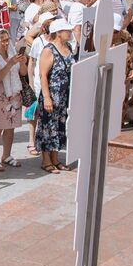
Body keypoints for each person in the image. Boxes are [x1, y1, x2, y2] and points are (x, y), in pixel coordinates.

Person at [36, 19, 76, 174]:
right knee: (47, 127)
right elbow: (43, 75)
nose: (70, 32)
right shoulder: (49, 50)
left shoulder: (69, 47)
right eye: (67, 30)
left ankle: (55, 158)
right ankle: (46, 160)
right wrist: (46, 97)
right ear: (58, 33)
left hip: (64, 95)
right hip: (52, 95)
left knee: (59, 126)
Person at [0, 27, 25, 171]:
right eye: (1, 40)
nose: (5, 43)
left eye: (6, 39)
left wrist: (22, 62)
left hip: (14, 94)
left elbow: (23, 72)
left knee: (10, 127)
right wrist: (10, 63)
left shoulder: (12, 53)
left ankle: (6, 155)